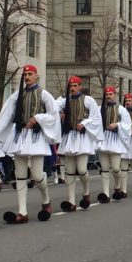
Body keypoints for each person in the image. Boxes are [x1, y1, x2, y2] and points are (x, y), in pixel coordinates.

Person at [0, 65, 59, 224]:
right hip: (20, 136)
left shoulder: (44, 94)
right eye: (25, 74)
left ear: (36, 76)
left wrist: (37, 118)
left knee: (37, 175)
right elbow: (6, 115)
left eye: (30, 74)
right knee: (20, 175)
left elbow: (53, 115)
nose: (27, 77)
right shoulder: (16, 96)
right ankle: (22, 212)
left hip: (36, 136)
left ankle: (46, 200)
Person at [55, 76, 102, 211]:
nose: (73, 88)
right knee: (70, 171)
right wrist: (60, 112)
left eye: (75, 85)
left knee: (81, 170)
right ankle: (71, 201)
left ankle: (86, 191)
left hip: (82, 138)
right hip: (70, 137)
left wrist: (84, 123)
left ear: (80, 86)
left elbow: (95, 117)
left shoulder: (88, 100)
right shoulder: (65, 101)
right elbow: (52, 106)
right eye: (71, 86)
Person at [95, 86, 131, 203]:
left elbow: (127, 125)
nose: (108, 96)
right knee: (104, 168)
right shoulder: (100, 108)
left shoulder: (121, 109)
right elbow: (94, 121)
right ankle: (105, 194)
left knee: (116, 168)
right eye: (107, 94)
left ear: (114, 95)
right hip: (103, 139)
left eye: (110, 94)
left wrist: (117, 124)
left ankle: (117, 187)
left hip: (115, 140)